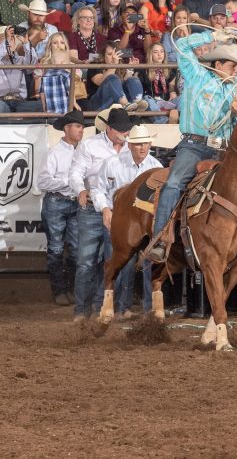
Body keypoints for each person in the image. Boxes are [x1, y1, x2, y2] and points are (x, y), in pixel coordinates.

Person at [145, 28, 237, 281]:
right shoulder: (196, 75)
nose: (236, 71)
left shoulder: (236, 89)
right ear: (218, 63)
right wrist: (212, 37)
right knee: (174, 184)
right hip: (194, 145)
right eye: (233, 66)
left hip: (223, 149)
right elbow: (181, 45)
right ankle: (161, 239)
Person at [69, 106, 135, 321]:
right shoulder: (90, 146)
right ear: (109, 128)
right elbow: (76, 172)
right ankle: (82, 309)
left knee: (113, 259)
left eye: (126, 131)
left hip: (120, 211)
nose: (124, 134)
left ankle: (103, 307)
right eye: (120, 130)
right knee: (86, 260)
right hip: (92, 208)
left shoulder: (130, 147)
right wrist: (80, 189)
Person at [91, 121, 160, 315]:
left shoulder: (156, 167)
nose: (142, 147)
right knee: (119, 263)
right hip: (118, 220)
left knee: (149, 264)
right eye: (138, 144)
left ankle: (145, 310)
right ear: (129, 145)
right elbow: (98, 189)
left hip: (147, 224)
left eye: (145, 143)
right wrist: (105, 209)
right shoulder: (112, 163)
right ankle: (110, 306)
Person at [39, 109, 84, 306]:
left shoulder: (82, 152)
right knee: (57, 248)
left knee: (75, 249)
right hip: (57, 202)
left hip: (71, 202)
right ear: (67, 129)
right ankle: (60, 290)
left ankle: (69, 290)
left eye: (82, 127)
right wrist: (71, 183)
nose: (81, 130)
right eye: (78, 126)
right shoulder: (54, 153)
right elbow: (42, 182)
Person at [0, 23, 40, 113]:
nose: (9, 42)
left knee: (42, 105)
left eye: (12, 40)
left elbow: (32, 64)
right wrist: (6, 42)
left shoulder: (20, 60)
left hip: (19, 102)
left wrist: (26, 43)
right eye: (4, 40)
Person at [35, 31, 80, 114]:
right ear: (50, 46)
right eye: (55, 43)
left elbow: (74, 87)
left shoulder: (72, 65)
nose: (59, 45)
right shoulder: (42, 65)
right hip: (50, 100)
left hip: (71, 100)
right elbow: (38, 89)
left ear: (65, 45)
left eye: (62, 43)